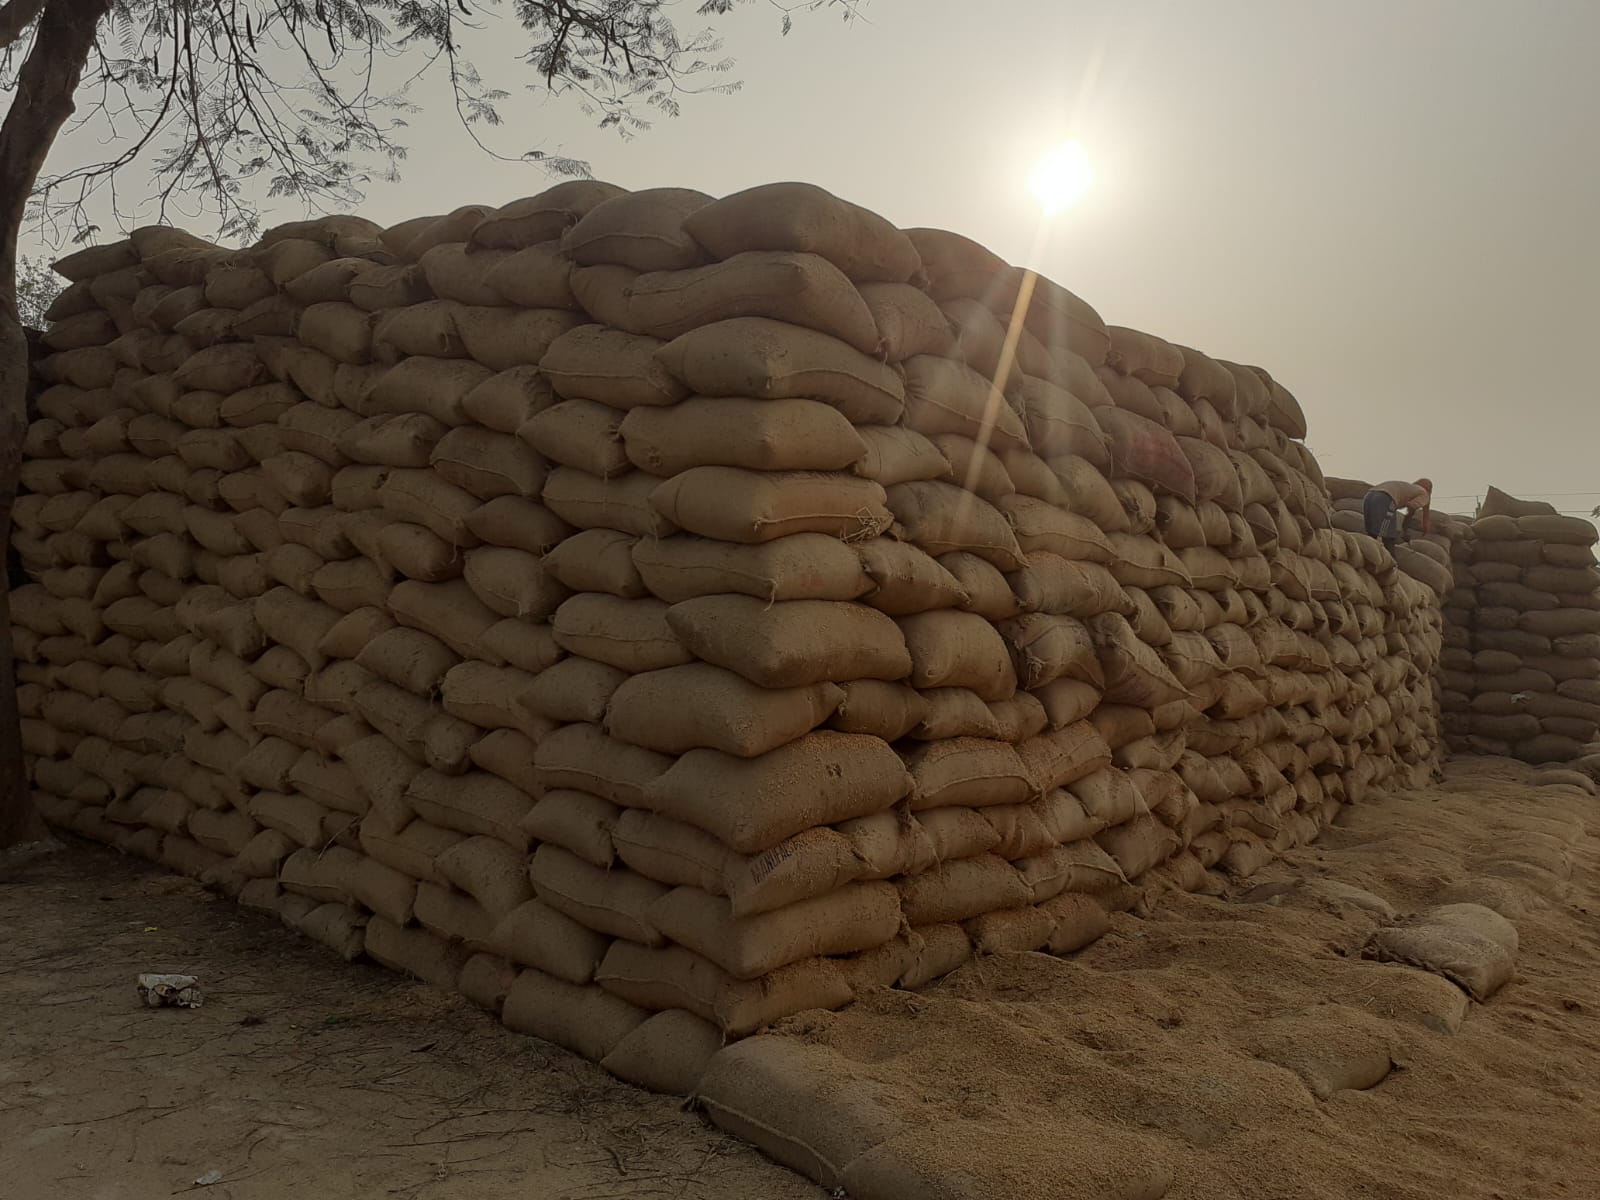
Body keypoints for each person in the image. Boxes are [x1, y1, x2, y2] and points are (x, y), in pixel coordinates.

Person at [1363, 478, 1432, 549]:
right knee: (1388, 537)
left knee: (1372, 535)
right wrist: (1405, 531)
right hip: (1385, 498)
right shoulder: (1424, 494)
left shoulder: (1407, 487)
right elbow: (1411, 507)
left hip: (1369, 496)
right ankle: (1390, 558)